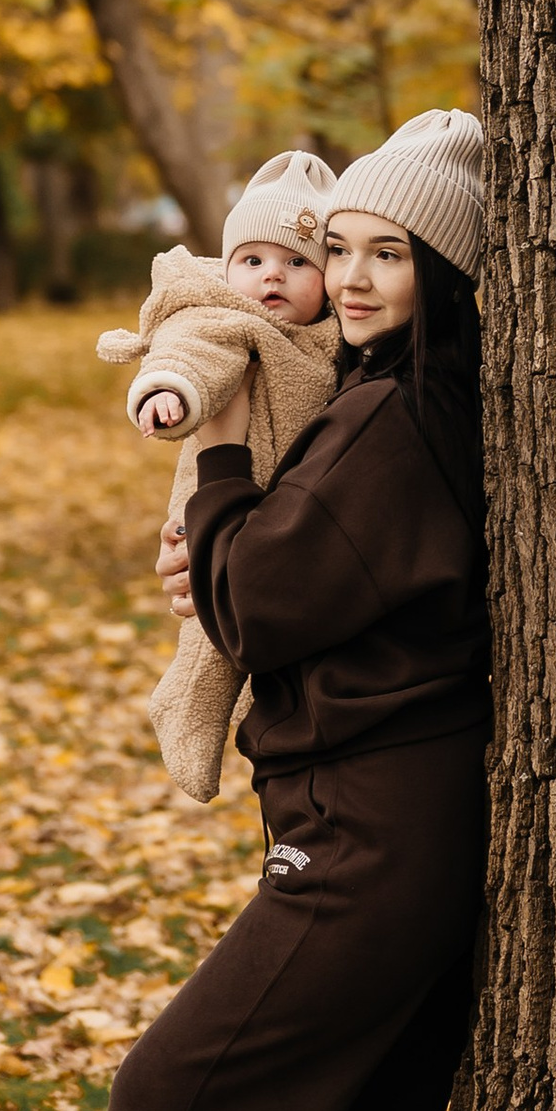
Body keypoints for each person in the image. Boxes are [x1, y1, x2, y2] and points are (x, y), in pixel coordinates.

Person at [11, 108, 490, 1111]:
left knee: (178, 1095)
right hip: (402, 814)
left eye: (387, 255)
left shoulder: (401, 419)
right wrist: (226, 551)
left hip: (371, 826)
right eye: (337, 249)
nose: (349, 278)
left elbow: (269, 597)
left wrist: (215, 494)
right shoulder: (390, 398)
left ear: (449, 274)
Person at [95, 151, 344, 800]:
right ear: (229, 268)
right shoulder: (225, 318)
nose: (273, 278)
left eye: (298, 263)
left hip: (283, 512)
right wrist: (169, 393)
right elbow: (190, 352)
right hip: (219, 486)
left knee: (243, 618)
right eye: (254, 261)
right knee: (211, 628)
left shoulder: (336, 337)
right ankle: (190, 713)